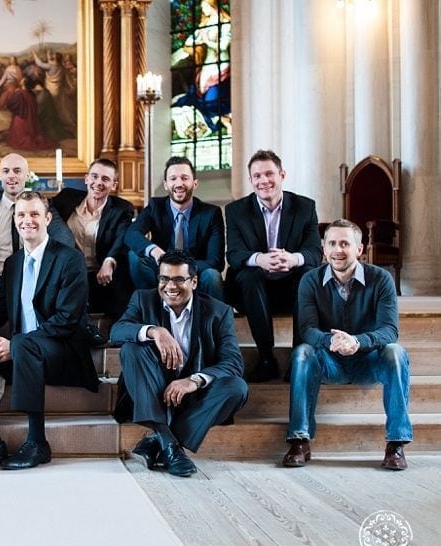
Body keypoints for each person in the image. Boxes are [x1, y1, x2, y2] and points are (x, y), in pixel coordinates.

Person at [0, 191, 99, 470]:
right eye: (21, 215)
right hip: (22, 354)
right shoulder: (13, 264)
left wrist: (15, 345)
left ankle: (37, 442)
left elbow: (67, 320)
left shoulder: (69, 259)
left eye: (34, 214)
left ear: (47, 218)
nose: (27, 220)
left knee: (22, 343)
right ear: (15, 220)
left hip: (61, 353)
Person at [282, 219, 412, 470]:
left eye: (345, 243)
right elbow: (307, 329)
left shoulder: (381, 279)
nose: (337, 250)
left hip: (368, 362)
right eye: (332, 243)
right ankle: (299, 439)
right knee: (302, 353)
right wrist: (333, 341)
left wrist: (357, 342)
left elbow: (390, 330)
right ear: (324, 249)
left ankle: (395, 443)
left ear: (359, 250)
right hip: (330, 362)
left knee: (396, 352)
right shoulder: (310, 280)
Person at [111, 250, 248, 477]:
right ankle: (170, 445)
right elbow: (116, 331)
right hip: (151, 391)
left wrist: (194, 381)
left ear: (193, 282)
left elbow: (233, 362)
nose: (170, 286)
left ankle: (156, 440)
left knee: (237, 387)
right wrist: (155, 331)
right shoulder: (143, 299)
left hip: (193, 397)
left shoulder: (218, 311)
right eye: (164, 279)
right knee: (131, 348)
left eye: (178, 279)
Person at [225, 149, 321, 382]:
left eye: (269, 174)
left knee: (307, 273)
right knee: (248, 274)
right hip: (253, 291)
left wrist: (292, 258)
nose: (263, 180)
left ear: (282, 175)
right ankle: (266, 357)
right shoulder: (236, 210)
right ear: (251, 180)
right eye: (257, 176)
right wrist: (260, 259)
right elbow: (234, 254)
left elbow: (315, 252)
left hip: (291, 287)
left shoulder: (304, 207)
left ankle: (299, 357)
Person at [0, 152, 75, 305]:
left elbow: (64, 240)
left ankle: (23, 311)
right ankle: (20, 311)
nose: (11, 176)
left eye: (17, 171)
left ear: (27, 176)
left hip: (33, 281)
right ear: (0, 176)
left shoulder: (42, 208)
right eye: (6, 171)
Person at [125, 156, 225, 301]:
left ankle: (215, 322)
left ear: (195, 183)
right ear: (165, 184)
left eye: (185, 178)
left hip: (194, 275)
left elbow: (216, 261)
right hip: (161, 273)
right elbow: (131, 234)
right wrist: (155, 252)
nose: (179, 183)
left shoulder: (211, 213)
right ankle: (151, 312)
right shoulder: (155, 207)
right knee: (134, 256)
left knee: (212, 275)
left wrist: (181, 270)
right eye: (173, 178)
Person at [51, 157, 135, 320]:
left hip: (100, 274)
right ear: (86, 178)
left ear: (114, 185)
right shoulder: (66, 197)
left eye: (105, 179)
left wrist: (109, 261)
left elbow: (121, 238)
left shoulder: (122, 209)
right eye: (94, 176)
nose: (98, 182)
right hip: (69, 273)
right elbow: (41, 206)